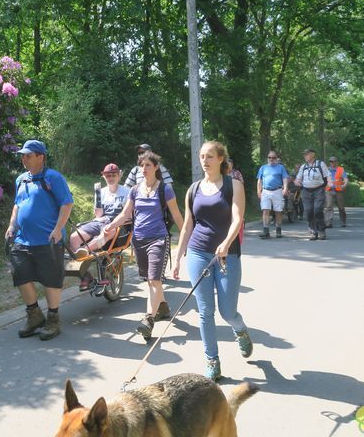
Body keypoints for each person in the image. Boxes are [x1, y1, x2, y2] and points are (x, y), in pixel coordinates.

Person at [172, 141, 252, 381]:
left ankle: (240, 330)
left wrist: (226, 243)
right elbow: (187, 225)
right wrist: (177, 258)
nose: (204, 161)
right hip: (198, 252)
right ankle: (212, 361)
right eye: (201, 156)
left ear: (220, 159)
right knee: (205, 312)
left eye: (209, 156)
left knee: (227, 311)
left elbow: (237, 219)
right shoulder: (193, 189)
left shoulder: (233, 185)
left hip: (228, 255)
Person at [103, 151, 184, 340]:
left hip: (158, 239)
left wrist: (187, 238)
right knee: (150, 279)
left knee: (154, 280)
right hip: (138, 240)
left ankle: (148, 319)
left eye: (148, 165)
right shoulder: (135, 190)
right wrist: (111, 225)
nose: (144, 169)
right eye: (141, 165)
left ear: (156, 167)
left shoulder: (165, 189)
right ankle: (162, 307)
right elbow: (125, 214)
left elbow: (177, 215)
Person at [5, 140, 74, 340]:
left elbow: (67, 204)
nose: (23, 158)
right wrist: (11, 226)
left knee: (51, 279)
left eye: (28, 155)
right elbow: (17, 206)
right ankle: (34, 316)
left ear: (40, 157)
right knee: (21, 276)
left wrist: (58, 229)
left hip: (48, 240)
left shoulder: (53, 178)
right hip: (22, 240)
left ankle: (53, 319)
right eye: (22, 155)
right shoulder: (21, 180)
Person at [69, 163, 129, 290]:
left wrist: (114, 223)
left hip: (119, 225)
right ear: (103, 176)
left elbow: (129, 215)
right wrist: (97, 195)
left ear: (119, 176)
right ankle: (86, 277)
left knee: (107, 231)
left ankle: (84, 251)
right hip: (101, 221)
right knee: (74, 238)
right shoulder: (101, 191)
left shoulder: (127, 192)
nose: (110, 177)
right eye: (107, 175)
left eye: (113, 175)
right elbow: (98, 215)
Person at [295, 148, 330, 241]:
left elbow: (328, 175)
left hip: (318, 190)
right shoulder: (303, 167)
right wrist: (297, 182)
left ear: (313, 155)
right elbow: (298, 178)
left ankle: (321, 230)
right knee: (308, 211)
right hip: (306, 191)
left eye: (307, 154)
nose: (305, 156)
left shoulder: (320, 164)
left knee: (318, 210)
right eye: (304, 154)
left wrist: (330, 183)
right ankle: (313, 231)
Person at [256, 151, 289, 238]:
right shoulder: (263, 168)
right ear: (267, 158)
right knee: (265, 210)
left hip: (277, 191)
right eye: (269, 157)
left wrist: (285, 188)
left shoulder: (281, 167)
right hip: (266, 191)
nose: (271, 159)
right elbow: (259, 180)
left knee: (278, 211)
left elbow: (285, 178)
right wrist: (258, 191)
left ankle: (278, 229)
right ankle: (266, 231)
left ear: (276, 158)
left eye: (273, 157)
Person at [324, 156, 349, 228]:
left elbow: (346, 179)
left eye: (333, 161)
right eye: (331, 161)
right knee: (329, 207)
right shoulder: (327, 170)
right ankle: (328, 223)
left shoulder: (341, 169)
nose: (332, 163)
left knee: (341, 207)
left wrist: (344, 184)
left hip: (339, 191)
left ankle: (343, 221)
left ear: (336, 162)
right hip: (329, 190)